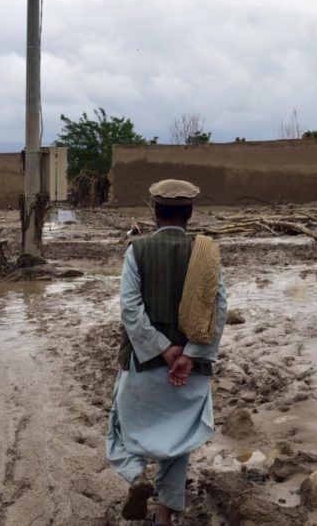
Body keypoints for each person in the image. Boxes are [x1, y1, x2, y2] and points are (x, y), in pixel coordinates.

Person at [106, 179, 228, 525]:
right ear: (189, 213)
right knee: (178, 446)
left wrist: (163, 351)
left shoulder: (137, 250)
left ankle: (136, 477)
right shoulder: (206, 252)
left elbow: (130, 310)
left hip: (142, 366)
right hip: (190, 373)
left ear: (155, 211)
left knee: (118, 429)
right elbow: (218, 310)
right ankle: (163, 519)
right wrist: (189, 354)